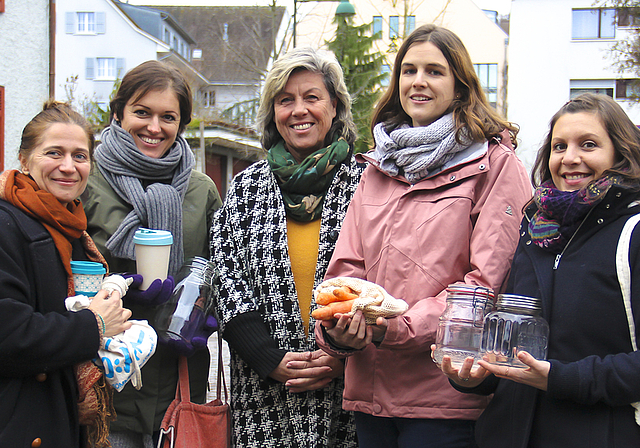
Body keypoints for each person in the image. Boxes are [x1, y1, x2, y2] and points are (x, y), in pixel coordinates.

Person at [314, 24, 531, 448]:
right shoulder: (378, 167)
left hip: (445, 396)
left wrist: (392, 328)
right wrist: (338, 328)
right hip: (370, 396)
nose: (418, 81)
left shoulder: (495, 165)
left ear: (461, 85)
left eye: (434, 71)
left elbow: (484, 286)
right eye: (408, 70)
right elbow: (346, 273)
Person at [438, 93, 640, 447]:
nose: (570, 158)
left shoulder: (633, 232)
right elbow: (507, 348)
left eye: (588, 145)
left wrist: (560, 378)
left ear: (619, 154)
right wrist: (474, 378)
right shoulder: (535, 230)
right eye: (559, 146)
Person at [210, 47, 362, 447]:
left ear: (335, 106)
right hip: (266, 388)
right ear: (273, 113)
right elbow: (226, 279)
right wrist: (269, 359)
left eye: (312, 97)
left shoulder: (368, 184)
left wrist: (342, 355)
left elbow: (386, 279)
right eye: (285, 100)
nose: (299, 110)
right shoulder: (246, 188)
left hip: (348, 384)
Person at [81, 60, 222, 448]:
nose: (154, 127)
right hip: (108, 387)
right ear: (118, 112)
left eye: (168, 117)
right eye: (141, 112)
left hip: (179, 383)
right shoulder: (88, 182)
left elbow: (220, 272)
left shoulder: (200, 190)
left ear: (182, 123)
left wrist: (205, 312)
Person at [0, 100, 132, 448]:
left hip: (55, 420)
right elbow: (8, 336)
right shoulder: (6, 224)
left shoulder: (70, 228)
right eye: (54, 153)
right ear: (25, 159)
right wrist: (95, 325)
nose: (68, 167)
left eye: (80, 156)